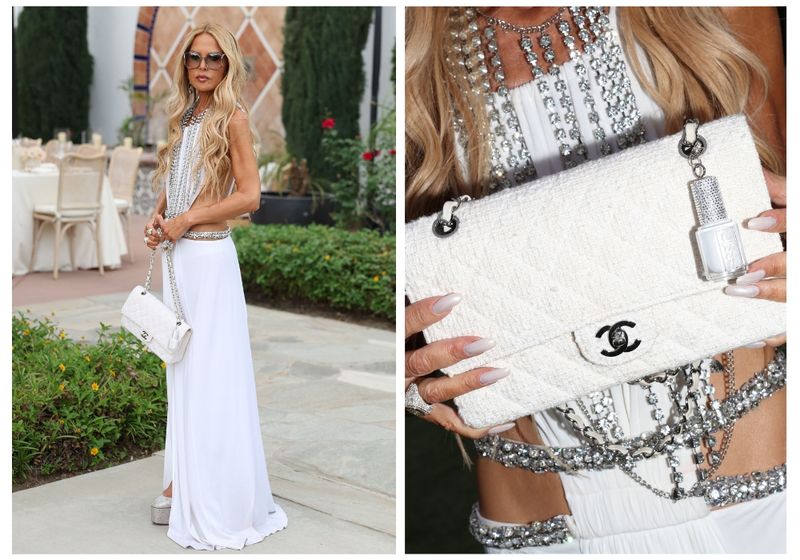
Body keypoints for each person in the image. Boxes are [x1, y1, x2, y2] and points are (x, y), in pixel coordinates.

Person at [405, 6, 786, 553]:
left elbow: (779, 199)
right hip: (539, 522)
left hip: (758, 496)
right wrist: (405, 356)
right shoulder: (417, 47)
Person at [143, 23, 288, 550]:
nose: (202, 67)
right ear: (185, 64)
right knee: (180, 370)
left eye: (214, 59)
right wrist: (161, 215)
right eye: (194, 58)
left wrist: (188, 219)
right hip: (177, 257)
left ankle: (217, 493)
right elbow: (176, 180)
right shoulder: (186, 116)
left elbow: (250, 195)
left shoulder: (234, 118)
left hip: (209, 259)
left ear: (227, 66)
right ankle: (180, 478)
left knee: (211, 375)